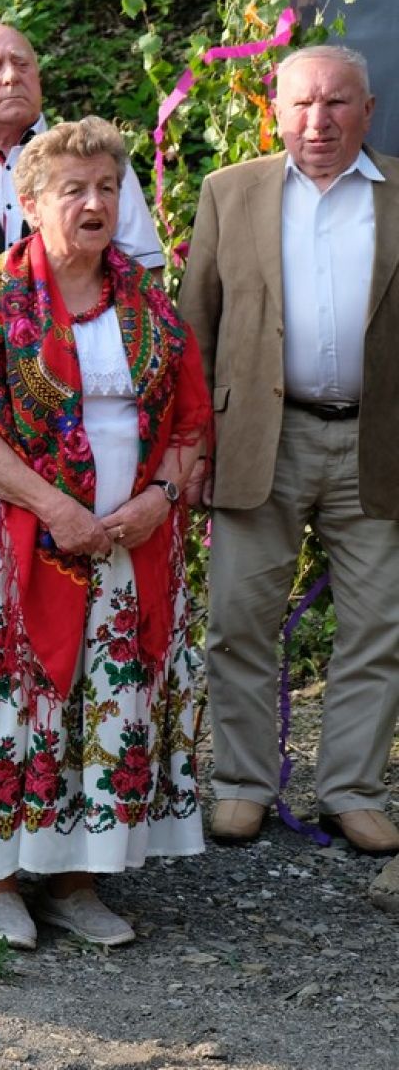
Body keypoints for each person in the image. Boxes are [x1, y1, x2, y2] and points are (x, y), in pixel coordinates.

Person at [0, 118, 210, 949]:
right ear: (31, 200)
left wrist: (157, 497)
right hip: (14, 541)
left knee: (105, 704)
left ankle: (81, 880)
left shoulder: (147, 296)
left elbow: (189, 416)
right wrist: (57, 509)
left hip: (129, 542)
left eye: (107, 188)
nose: (93, 203)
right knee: (16, 702)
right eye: (73, 189)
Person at [180, 45, 399, 857]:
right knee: (239, 619)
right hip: (256, 439)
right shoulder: (229, 193)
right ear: (277, 109)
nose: (319, 120)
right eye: (303, 103)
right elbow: (193, 326)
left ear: (367, 111)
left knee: (378, 624)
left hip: (375, 441)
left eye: (338, 103)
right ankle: (241, 785)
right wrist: (191, 443)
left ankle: (353, 790)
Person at [0, 24, 166, 534]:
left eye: (23, 64)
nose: (11, 78)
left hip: (90, 412)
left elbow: (146, 281)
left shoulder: (96, 160)